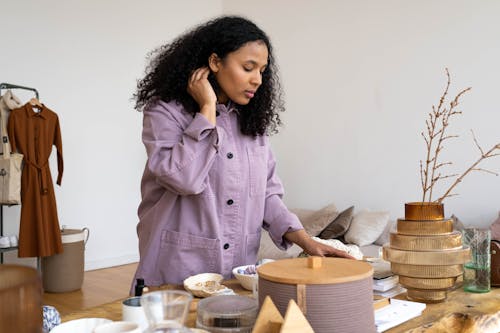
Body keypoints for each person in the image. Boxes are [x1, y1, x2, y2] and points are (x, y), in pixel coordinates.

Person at [132, 15, 353, 289]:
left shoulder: (251, 125)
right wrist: (207, 110)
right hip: (177, 269)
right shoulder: (165, 112)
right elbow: (183, 178)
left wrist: (308, 242)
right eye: (248, 67)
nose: (257, 80)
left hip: (236, 272)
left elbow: (267, 194)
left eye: (262, 70)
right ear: (215, 62)